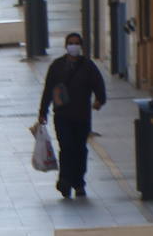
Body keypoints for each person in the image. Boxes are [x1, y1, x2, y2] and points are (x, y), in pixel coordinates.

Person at [37, 33, 107, 199]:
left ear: (80, 46)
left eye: (76, 43)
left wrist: (99, 100)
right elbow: (48, 90)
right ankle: (66, 180)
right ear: (66, 46)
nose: (73, 46)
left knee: (80, 149)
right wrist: (42, 112)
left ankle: (78, 182)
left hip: (82, 116)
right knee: (66, 148)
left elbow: (99, 84)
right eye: (70, 43)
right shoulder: (57, 66)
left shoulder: (88, 66)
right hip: (62, 116)